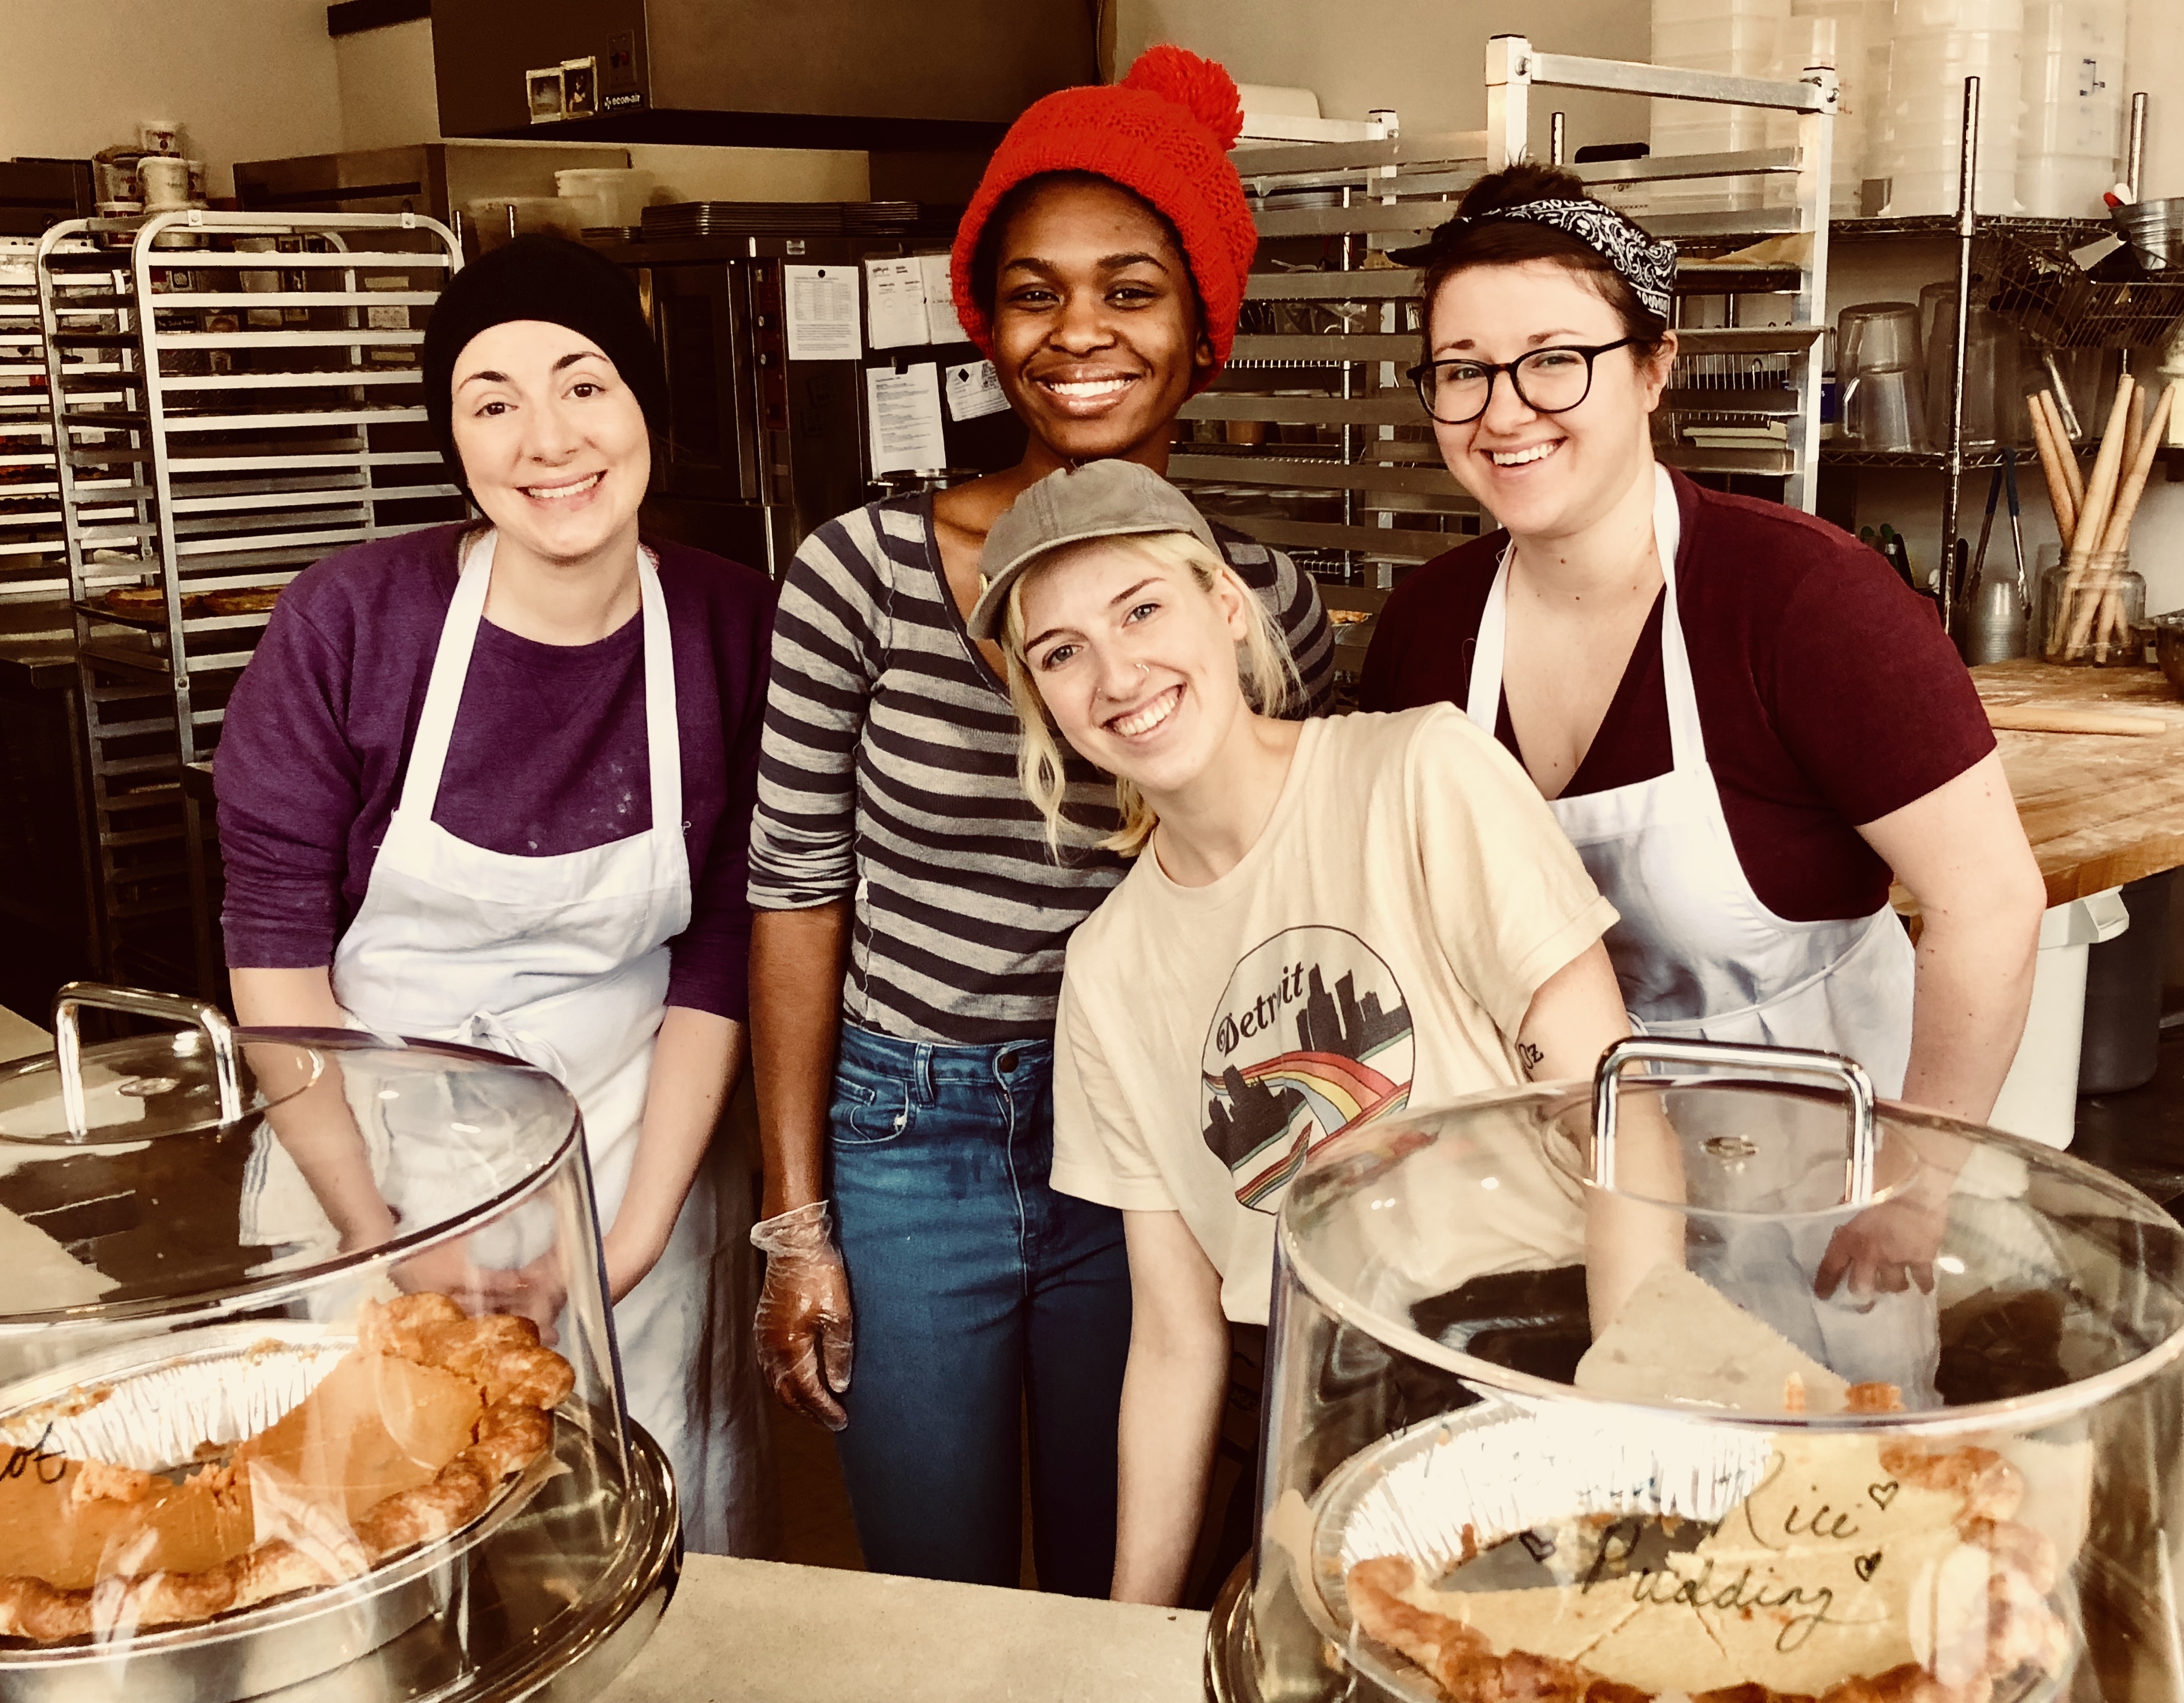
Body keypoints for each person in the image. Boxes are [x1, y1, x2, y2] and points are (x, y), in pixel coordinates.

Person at [745, 46, 1335, 1597]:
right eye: (1033, 289)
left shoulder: (1263, 605)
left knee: (1117, 1566)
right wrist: (796, 1218)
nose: (1078, 333)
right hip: (908, 1129)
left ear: (1202, 330)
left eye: (1131, 289)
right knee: (928, 1588)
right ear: (985, 320)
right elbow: (796, 889)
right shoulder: (859, 573)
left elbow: (1277, 898)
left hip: (1134, 1146)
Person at [970, 458, 1661, 1607]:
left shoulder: (1414, 774)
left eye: (1140, 608)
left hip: (1542, 1343)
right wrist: (1129, 1624)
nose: (1116, 672)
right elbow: (1177, 1337)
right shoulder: (1106, 968)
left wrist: (1631, 1418)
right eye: (1061, 651)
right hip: (1319, 1397)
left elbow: (1608, 1111)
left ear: (1225, 608)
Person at [1357, 163, 2046, 1308]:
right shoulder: (1427, 628)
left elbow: (1990, 899)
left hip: (1814, 1200)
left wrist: (1915, 1182)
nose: (1503, 409)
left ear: (1652, 365)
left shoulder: (1798, 600)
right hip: (1546, 1195)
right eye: (1461, 372)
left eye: (1553, 359)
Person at [213, 235, 772, 1557]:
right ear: (454, 442)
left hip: (631, 1144)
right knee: (376, 1539)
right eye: (491, 400)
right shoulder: (350, 621)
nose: (546, 438)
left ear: (643, 409)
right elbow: (280, 960)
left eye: (583, 385)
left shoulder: (732, 624)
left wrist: (617, 1246)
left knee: (641, 1529)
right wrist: (379, 1238)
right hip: (365, 1138)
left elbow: (721, 953)